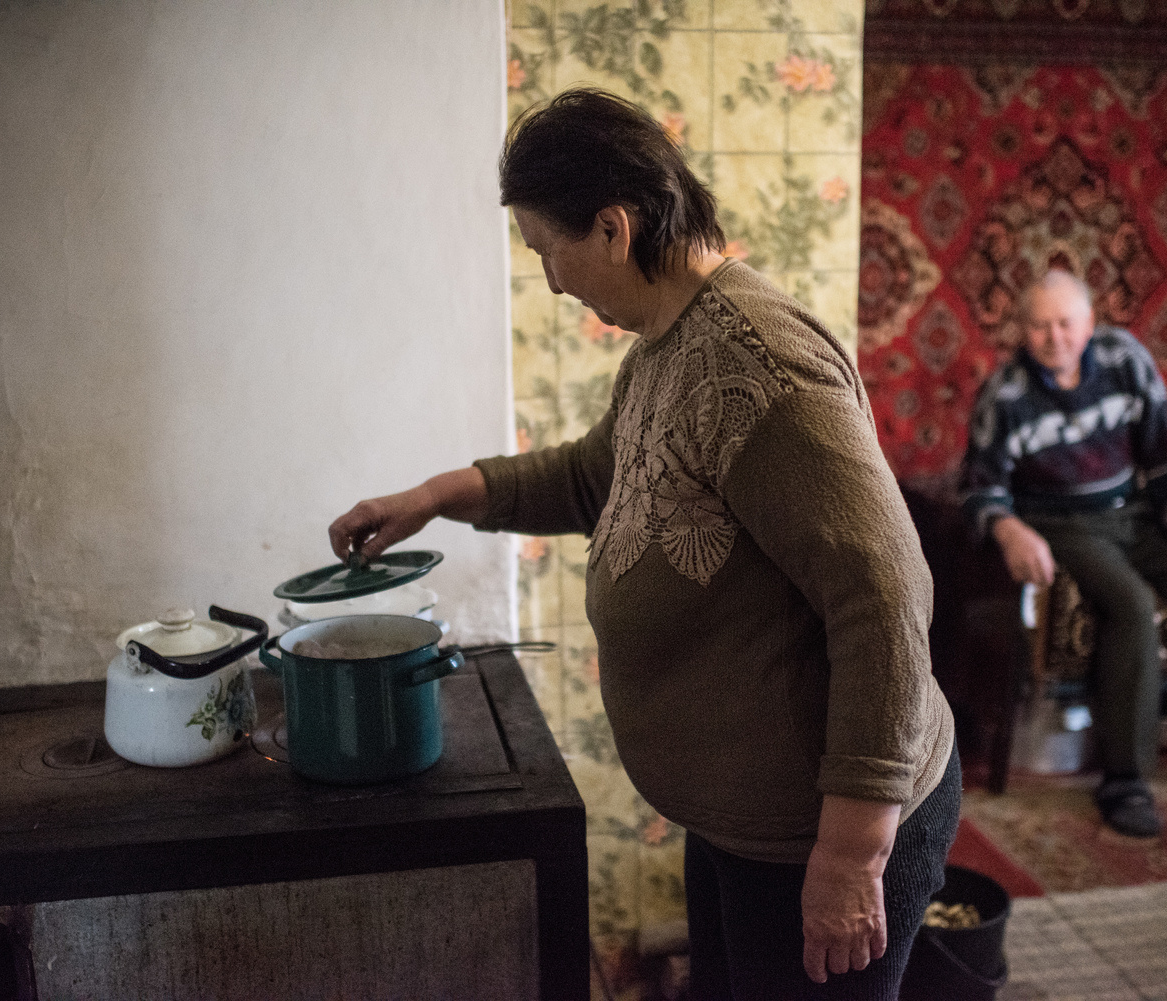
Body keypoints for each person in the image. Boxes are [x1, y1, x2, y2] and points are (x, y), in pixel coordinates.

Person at [329, 88, 958, 999]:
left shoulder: (760, 367)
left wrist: (854, 852)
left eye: (546, 250)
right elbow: (593, 475)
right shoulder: (666, 350)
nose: (552, 282)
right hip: (748, 826)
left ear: (614, 228)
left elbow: (886, 592)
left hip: (821, 834)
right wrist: (430, 498)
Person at [961, 269, 1167, 839]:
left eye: (1066, 323)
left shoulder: (1126, 360)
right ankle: (1125, 780)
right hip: (1061, 522)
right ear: (1022, 331)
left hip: (1132, 512)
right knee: (1131, 605)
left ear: (1090, 323)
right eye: (1040, 326)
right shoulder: (1005, 394)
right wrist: (1010, 529)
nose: (1054, 338)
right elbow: (979, 488)